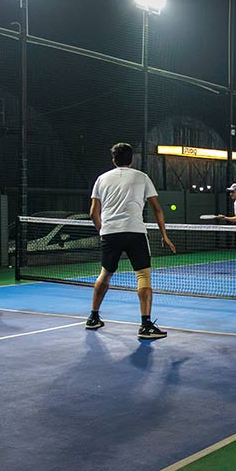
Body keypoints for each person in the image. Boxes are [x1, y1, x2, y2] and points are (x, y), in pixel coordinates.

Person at [86, 143, 176, 339]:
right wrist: (164, 235)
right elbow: (157, 209)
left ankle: (93, 317)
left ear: (113, 159)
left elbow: (93, 212)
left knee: (105, 274)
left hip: (110, 233)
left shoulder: (101, 179)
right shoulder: (142, 177)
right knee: (143, 276)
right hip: (135, 232)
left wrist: (103, 230)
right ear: (131, 159)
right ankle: (145, 326)